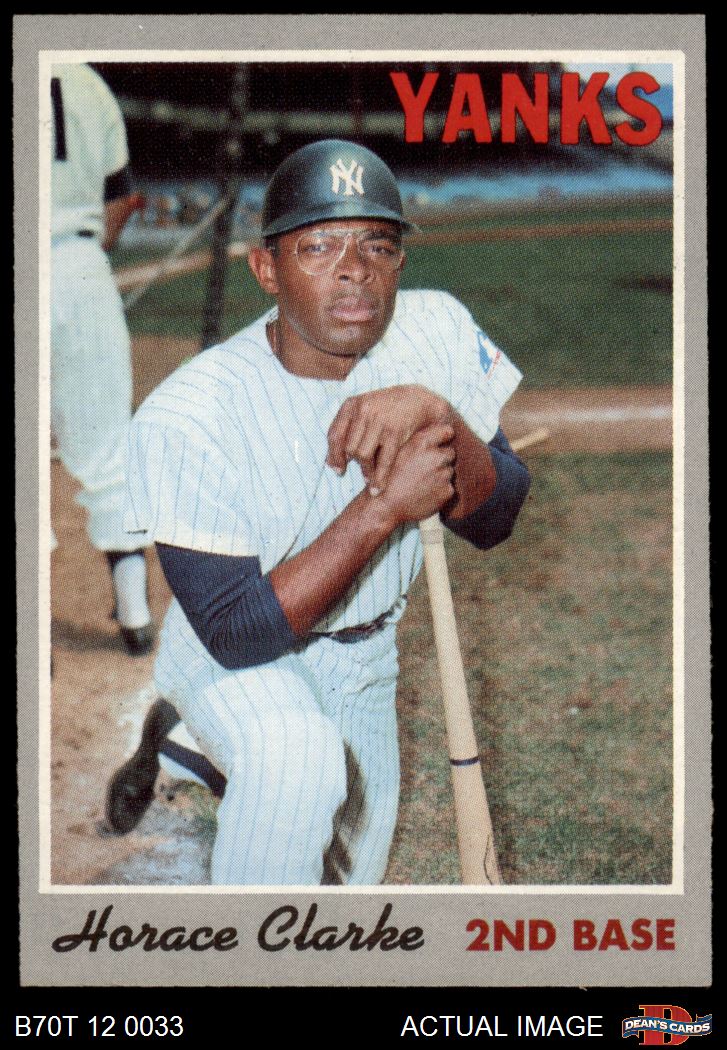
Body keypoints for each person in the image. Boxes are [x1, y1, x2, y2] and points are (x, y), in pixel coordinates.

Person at [107, 139, 531, 884]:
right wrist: (384, 506)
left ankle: (180, 743)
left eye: (377, 244)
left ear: (399, 261)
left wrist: (440, 415)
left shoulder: (432, 328)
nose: (353, 267)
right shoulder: (190, 413)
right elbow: (240, 631)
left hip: (366, 654)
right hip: (232, 652)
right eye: (318, 245)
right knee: (296, 766)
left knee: (345, 894)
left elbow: (495, 518)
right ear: (266, 269)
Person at [50, 63, 153, 655]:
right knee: (108, 451)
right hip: (81, 266)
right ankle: (135, 612)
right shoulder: (90, 84)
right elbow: (117, 204)